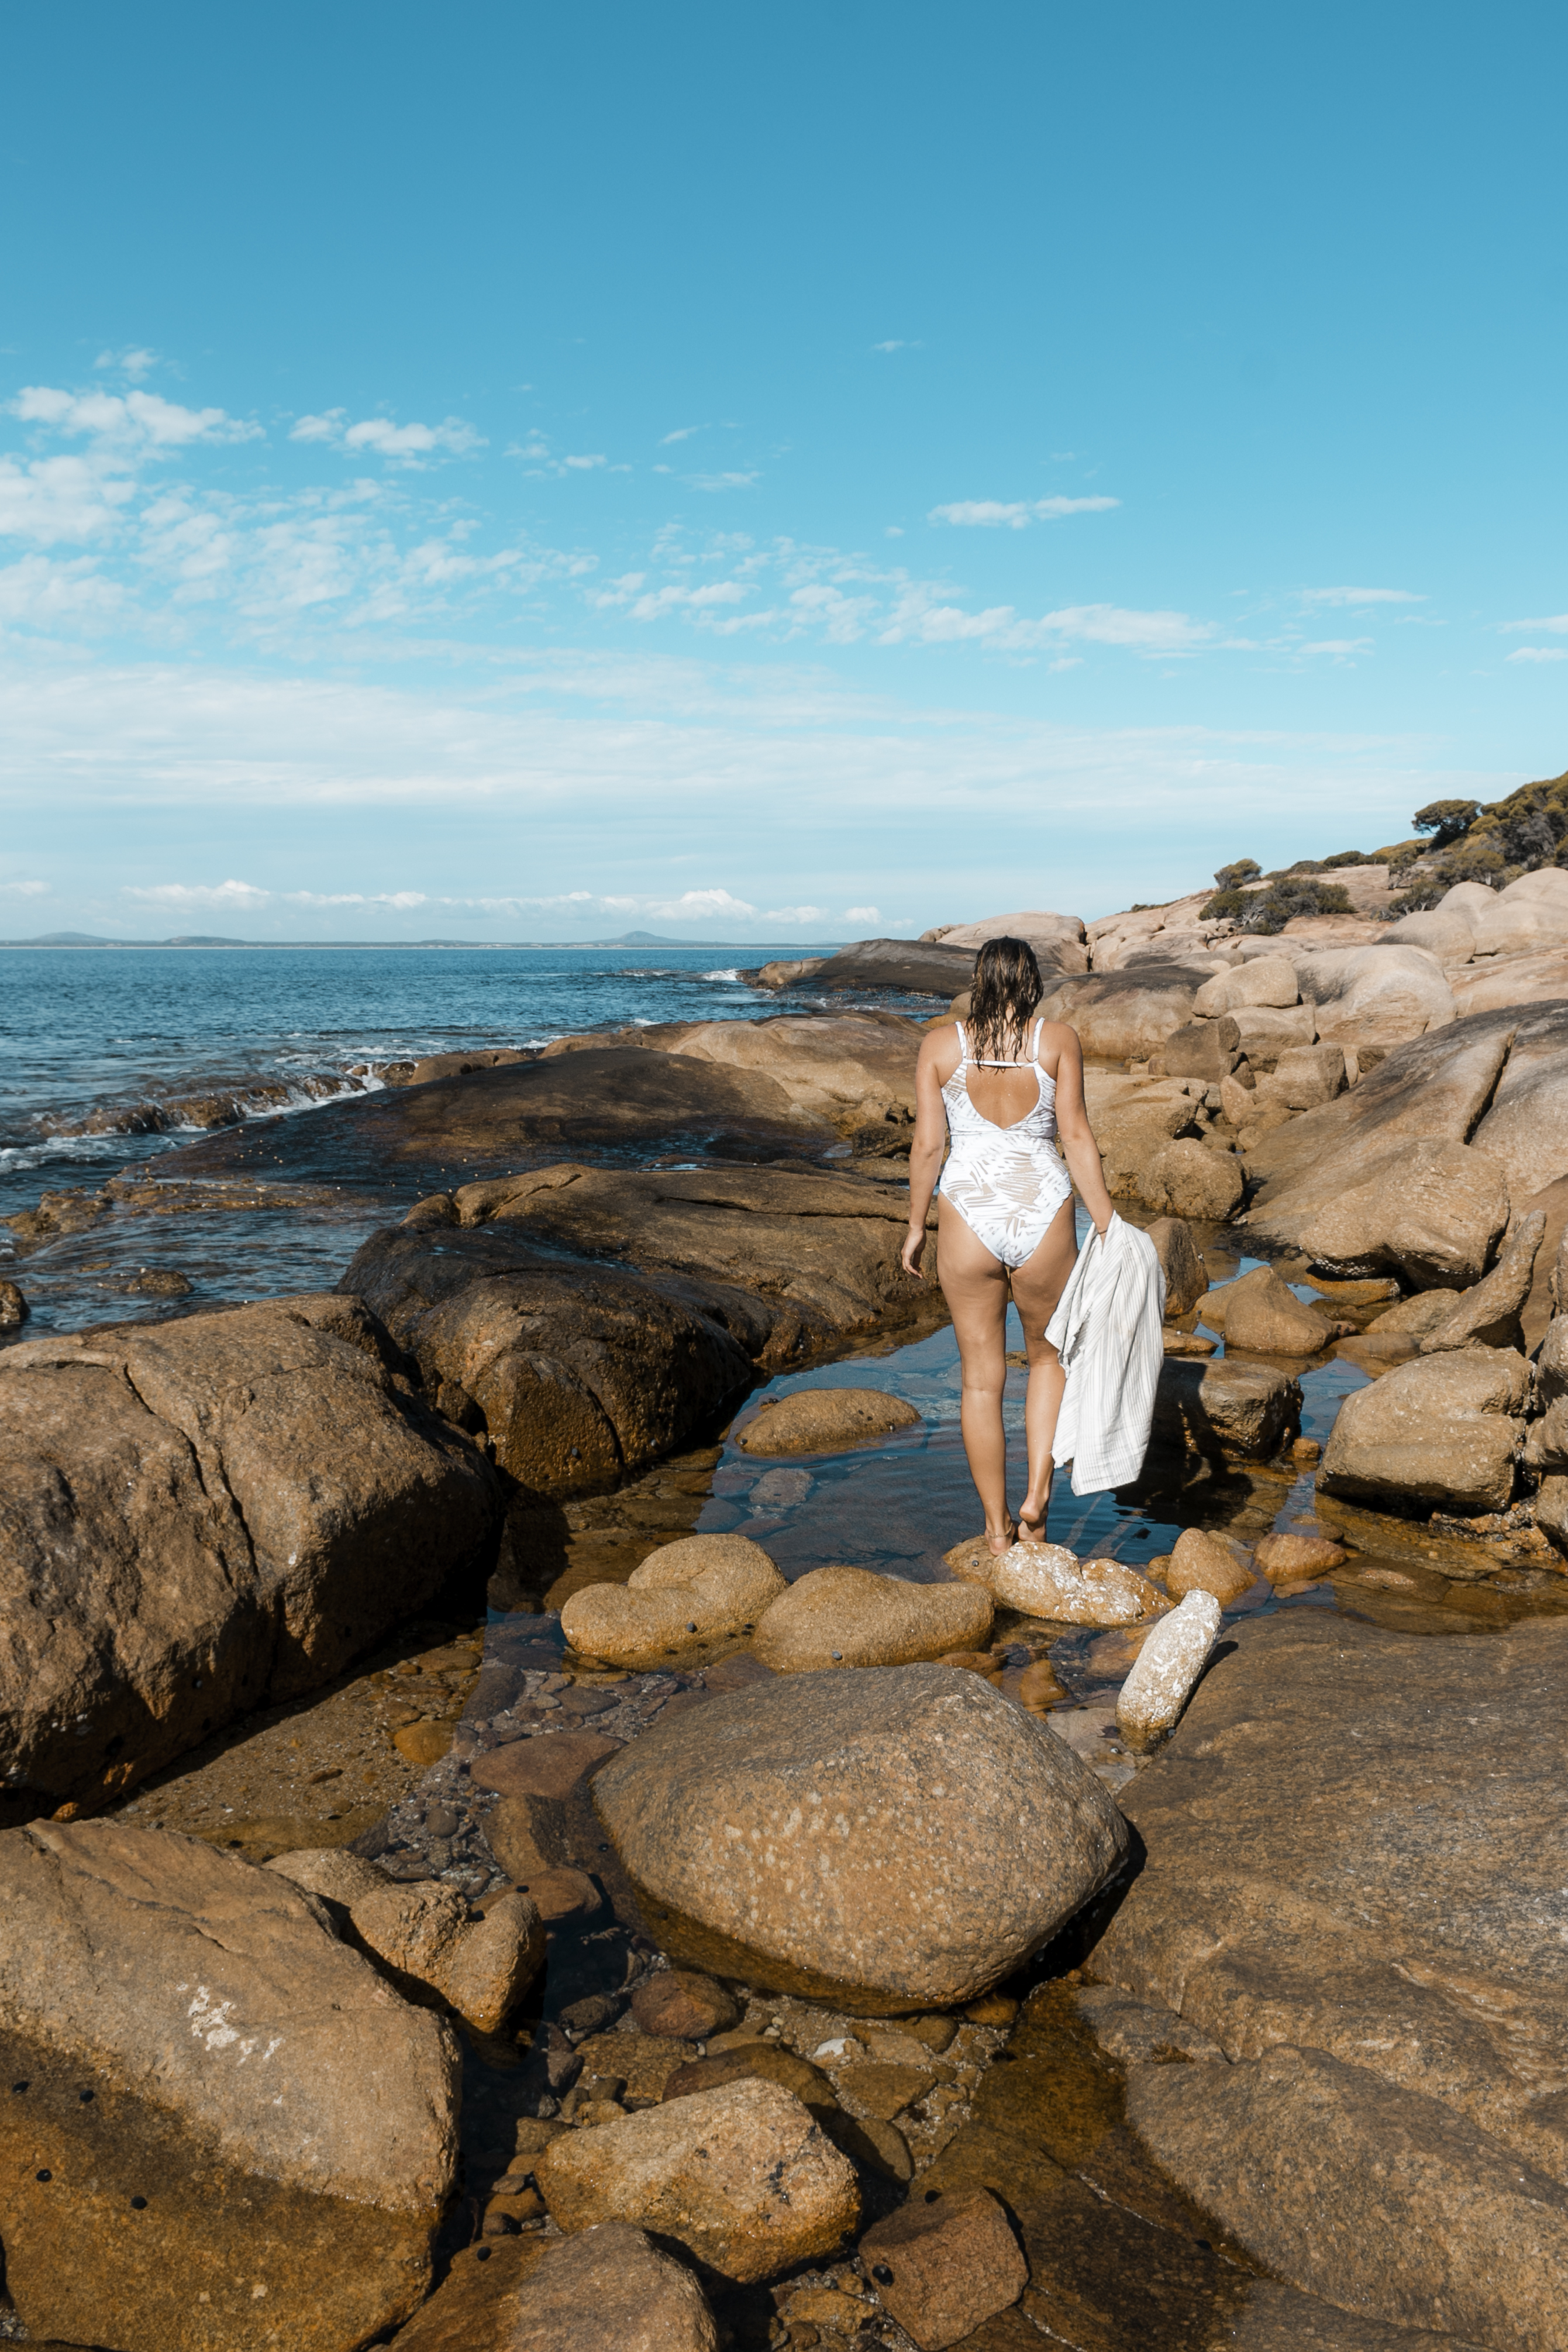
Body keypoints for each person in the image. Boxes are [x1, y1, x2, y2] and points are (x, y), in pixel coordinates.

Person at [900, 935, 1116, 1555]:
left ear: (976, 978)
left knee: (978, 1380)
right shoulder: (1056, 1040)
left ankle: (996, 1532)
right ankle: (1036, 1502)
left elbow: (927, 1147)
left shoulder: (942, 1044)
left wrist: (916, 1225)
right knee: (1049, 1362)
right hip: (1042, 1209)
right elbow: (1074, 1135)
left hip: (968, 1209)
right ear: (1031, 983)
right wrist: (1105, 1222)